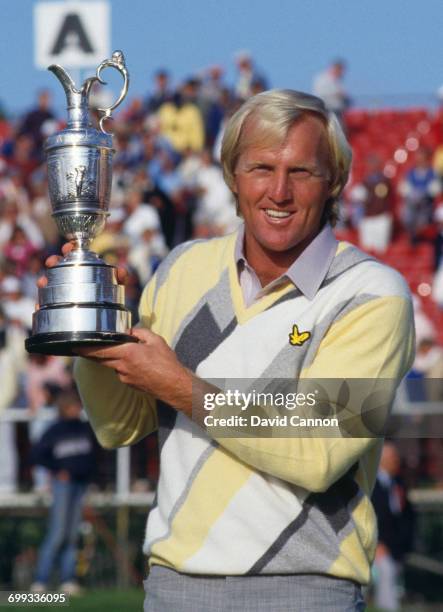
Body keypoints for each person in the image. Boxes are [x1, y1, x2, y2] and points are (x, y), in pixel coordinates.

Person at [42, 90, 415, 611]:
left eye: (301, 171)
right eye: (260, 167)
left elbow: (319, 453)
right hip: (172, 586)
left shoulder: (374, 294)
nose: (278, 191)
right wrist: (95, 333)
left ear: (334, 181)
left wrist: (178, 385)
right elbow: (120, 427)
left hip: (304, 591)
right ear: (231, 176)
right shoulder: (182, 268)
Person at [30, 389, 96, 595]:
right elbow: (37, 455)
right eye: (73, 406)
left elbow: (93, 456)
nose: (77, 409)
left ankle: (68, 580)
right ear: (64, 408)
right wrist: (58, 471)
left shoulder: (85, 429)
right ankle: (40, 581)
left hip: (80, 485)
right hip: (63, 486)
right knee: (57, 534)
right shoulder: (55, 431)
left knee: (72, 535)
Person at [371, 442, 415, 611]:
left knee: (393, 578)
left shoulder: (398, 484)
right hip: (377, 547)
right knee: (386, 573)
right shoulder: (371, 485)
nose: (396, 461)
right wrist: (377, 544)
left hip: (397, 547)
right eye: (392, 457)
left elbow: (407, 516)